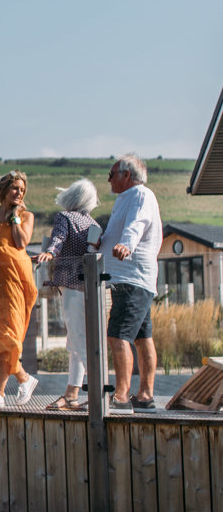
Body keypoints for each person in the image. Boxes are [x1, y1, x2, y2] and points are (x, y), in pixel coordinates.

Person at [100, 155, 162, 413]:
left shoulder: (139, 195)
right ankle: (145, 396)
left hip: (130, 278)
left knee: (117, 335)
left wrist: (127, 244)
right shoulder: (127, 197)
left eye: (112, 174)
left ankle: (122, 397)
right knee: (141, 336)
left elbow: (138, 223)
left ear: (126, 175)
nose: (109, 179)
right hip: (134, 278)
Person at [36, 179, 102, 410]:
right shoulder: (92, 222)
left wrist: (50, 253)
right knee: (76, 342)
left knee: (78, 340)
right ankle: (72, 393)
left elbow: (59, 239)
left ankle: (97, 391)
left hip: (70, 285)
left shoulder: (64, 217)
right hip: (90, 286)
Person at [0, 170, 38, 407]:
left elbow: (22, 242)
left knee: (10, 338)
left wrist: (15, 217)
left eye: (22, 190)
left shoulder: (27, 216)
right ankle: (23, 378)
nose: (19, 193)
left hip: (17, 283)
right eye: (15, 188)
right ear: (3, 190)